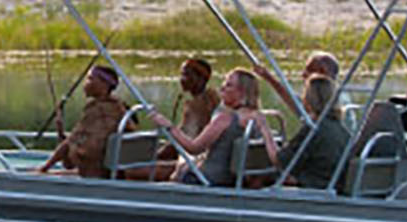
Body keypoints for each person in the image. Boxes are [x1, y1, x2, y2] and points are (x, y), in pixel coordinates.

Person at [150, 68, 279, 187]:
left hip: (208, 179)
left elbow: (194, 148)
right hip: (233, 181)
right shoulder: (258, 117)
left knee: (177, 171)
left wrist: (169, 127)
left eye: (229, 85)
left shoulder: (225, 118)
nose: (222, 88)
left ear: (241, 92)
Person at [38, 64, 127, 179]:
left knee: (46, 172)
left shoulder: (98, 110)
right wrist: (61, 130)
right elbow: (76, 141)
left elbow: (73, 149)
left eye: (90, 79)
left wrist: (44, 168)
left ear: (104, 84)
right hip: (105, 169)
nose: (85, 83)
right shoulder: (117, 107)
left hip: (97, 173)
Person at [272, 74, 353, 189]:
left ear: (309, 99)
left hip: (314, 187)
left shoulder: (313, 128)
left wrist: (265, 130)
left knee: (265, 177)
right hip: (333, 184)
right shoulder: (340, 128)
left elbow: (280, 161)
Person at [152, 57, 220, 178]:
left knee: (132, 171)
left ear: (201, 79)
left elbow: (186, 139)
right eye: (182, 75)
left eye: (187, 75)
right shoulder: (211, 98)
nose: (182, 80)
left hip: (197, 162)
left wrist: (156, 155)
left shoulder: (199, 106)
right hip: (202, 158)